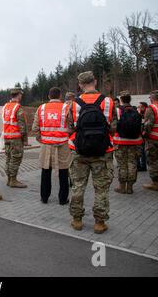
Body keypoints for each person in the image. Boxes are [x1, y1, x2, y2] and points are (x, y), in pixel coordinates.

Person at [67, 71, 117, 234]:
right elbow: (114, 127)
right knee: (101, 188)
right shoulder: (108, 102)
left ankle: (77, 220)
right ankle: (99, 223)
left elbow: (69, 128)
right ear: (95, 82)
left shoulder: (74, 104)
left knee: (78, 186)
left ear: (80, 85)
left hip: (79, 151)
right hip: (103, 152)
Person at [32, 87, 70, 205]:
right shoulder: (66, 108)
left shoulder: (41, 108)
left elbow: (35, 128)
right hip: (63, 144)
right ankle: (63, 199)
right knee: (64, 172)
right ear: (60, 96)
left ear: (49, 96)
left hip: (46, 145)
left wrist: (42, 139)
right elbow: (72, 126)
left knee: (45, 171)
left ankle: (44, 197)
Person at [112, 91, 143, 194]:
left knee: (122, 165)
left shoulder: (118, 111)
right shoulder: (136, 110)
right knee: (132, 164)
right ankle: (130, 187)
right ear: (130, 100)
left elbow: (114, 126)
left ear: (121, 100)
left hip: (121, 142)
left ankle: (122, 187)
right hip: (135, 141)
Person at [1, 88, 28, 188]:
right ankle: (13, 180)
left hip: (7, 137)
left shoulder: (5, 107)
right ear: (19, 95)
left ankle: (9, 179)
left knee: (8, 158)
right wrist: (24, 139)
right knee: (16, 158)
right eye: (21, 95)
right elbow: (22, 125)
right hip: (16, 138)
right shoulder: (18, 107)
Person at [137, 102, 148, 171]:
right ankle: (141, 165)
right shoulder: (141, 113)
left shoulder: (147, 113)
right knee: (142, 150)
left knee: (143, 151)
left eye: (140, 106)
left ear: (144, 107)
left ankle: (143, 165)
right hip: (142, 134)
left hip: (144, 135)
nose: (139, 108)